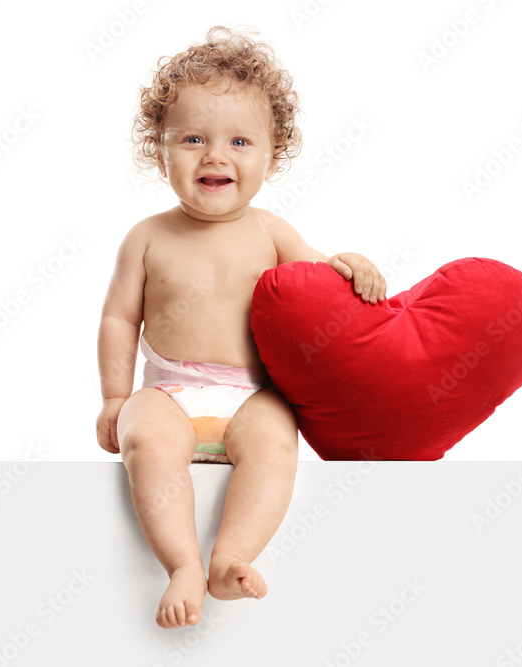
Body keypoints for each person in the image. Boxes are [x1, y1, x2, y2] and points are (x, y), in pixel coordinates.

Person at [96, 25, 387, 629]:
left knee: (277, 444)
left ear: (272, 156)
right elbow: (119, 318)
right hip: (169, 392)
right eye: (192, 138)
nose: (215, 155)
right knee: (146, 445)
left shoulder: (271, 232)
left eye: (239, 141)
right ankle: (182, 563)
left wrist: (351, 263)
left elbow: (323, 283)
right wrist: (115, 398)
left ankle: (231, 555)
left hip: (251, 395)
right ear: (159, 150)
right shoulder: (146, 237)